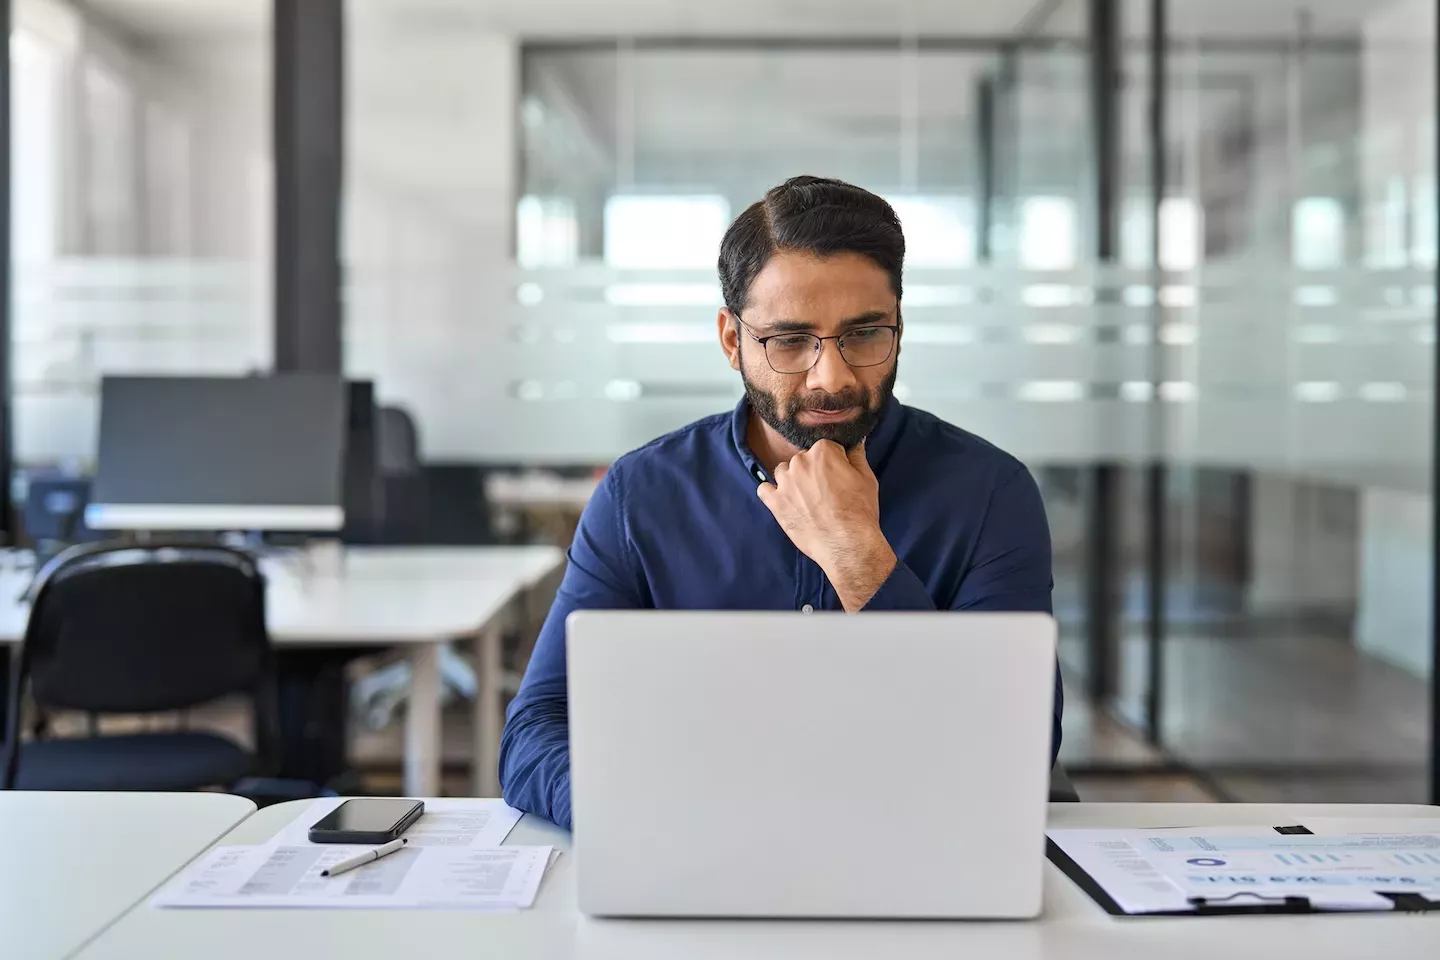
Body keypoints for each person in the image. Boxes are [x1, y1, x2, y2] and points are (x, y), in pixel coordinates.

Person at [500, 175, 1062, 828]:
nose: (833, 376)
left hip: (914, 844)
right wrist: (648, 818)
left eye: (865, 334)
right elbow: (535, 733)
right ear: (733, 339)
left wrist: (859, 556)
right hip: (693, 849)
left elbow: (1014, 754)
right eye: (790, 340)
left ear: (900, 328)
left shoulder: (991, 493)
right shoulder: (641, 496)